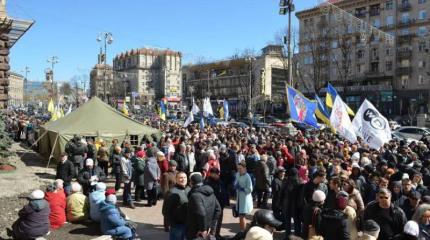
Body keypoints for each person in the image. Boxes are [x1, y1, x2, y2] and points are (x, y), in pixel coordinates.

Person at [186, 172, 221, 240]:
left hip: (196, 229)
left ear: (191, 182)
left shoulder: (195, 196)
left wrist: (203, 229)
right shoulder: (210, 192)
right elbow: (218, 209)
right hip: (207, 227)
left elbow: (201, 213)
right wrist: (211, 225)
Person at [162, 171, 190, 239]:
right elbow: (165, 210)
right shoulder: (172, 192)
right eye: (180, 178)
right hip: (177, 225)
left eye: (185, 177)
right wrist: (172, 223)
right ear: (176, 179)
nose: (183, 179)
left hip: (188, 224)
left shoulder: (189, 189)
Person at [205, 167, 229, 239]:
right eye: (215, 174)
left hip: (220, 206)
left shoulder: (219, 181)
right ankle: (213, 236)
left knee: (219, 222)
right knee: (214, 223)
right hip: (213, 207)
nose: (217, 175)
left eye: (218, 174)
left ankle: (217, 234)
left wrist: (226, 202)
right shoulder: (208, 183)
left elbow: (224, 191)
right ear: (211, 174)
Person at [235, 160, 254, 231]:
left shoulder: (247, 177)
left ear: (244, 168)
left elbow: (250, 189)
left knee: (241, 216)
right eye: (238, 168)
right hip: (239, 198)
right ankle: (242, 231)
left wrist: (242, 189)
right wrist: (235, 185)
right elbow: (236, 182)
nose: (239, 170)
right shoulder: (237, 174)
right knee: (240, 216)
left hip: (245, 199)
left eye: (240, 168)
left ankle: (243, 232)